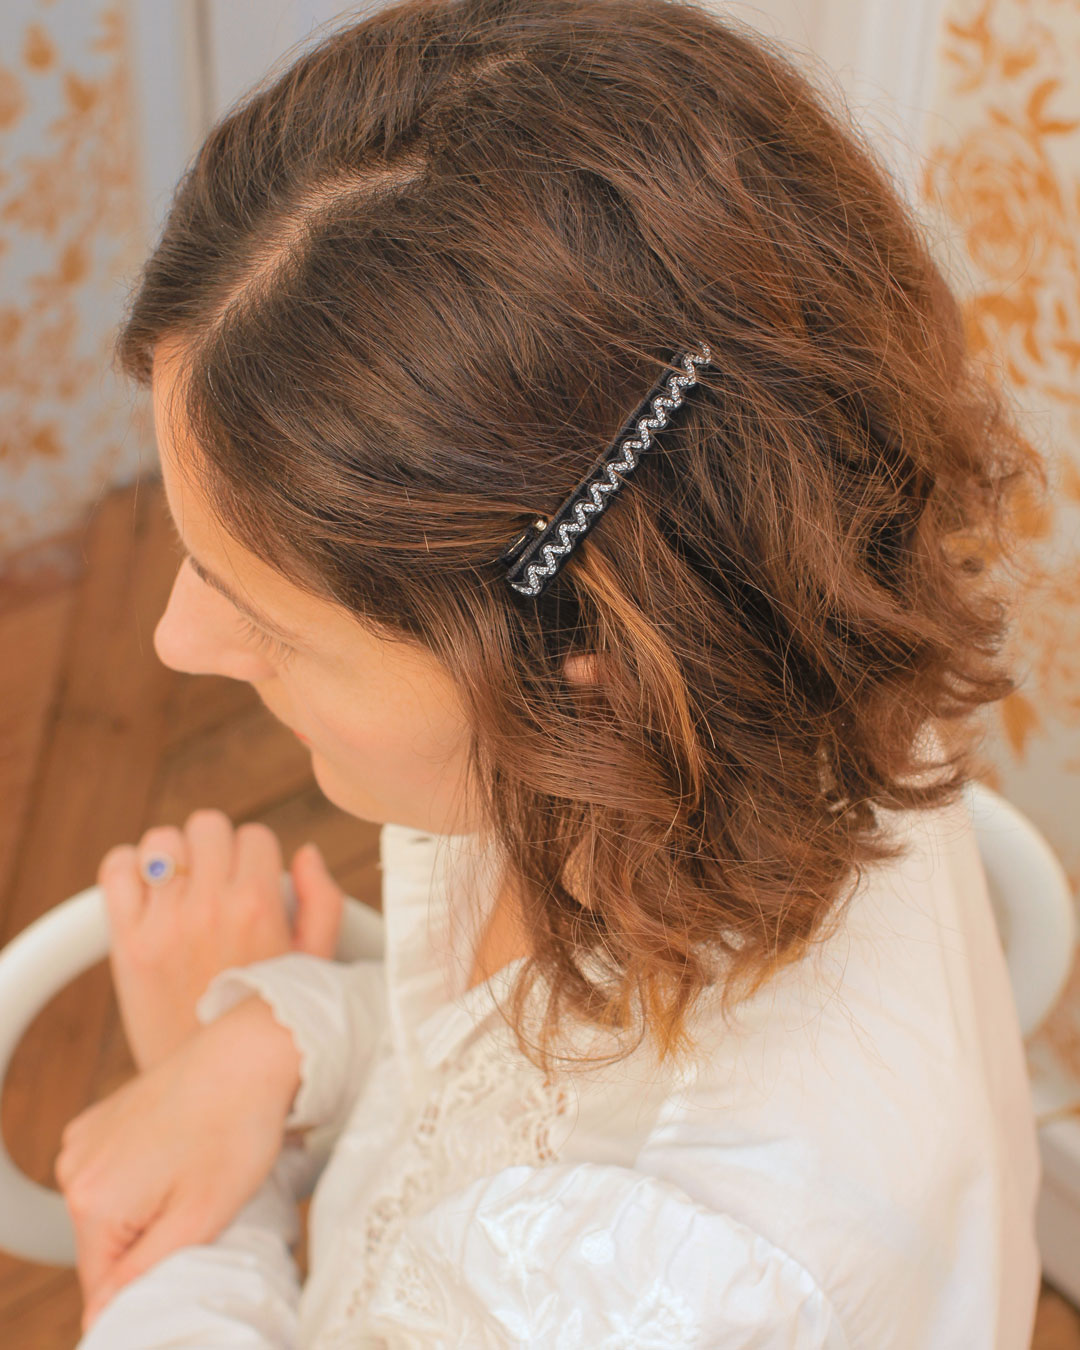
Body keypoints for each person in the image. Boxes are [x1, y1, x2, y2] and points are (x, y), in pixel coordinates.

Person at [55, 0, 1048, 1344]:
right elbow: (472, 1074)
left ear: (584, 661)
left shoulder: (626, 1291)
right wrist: (276, 1038)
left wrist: (211, 1219)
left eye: (271, 621)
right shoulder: (758, 666)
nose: (177, 640)